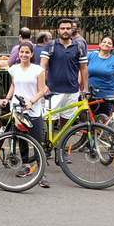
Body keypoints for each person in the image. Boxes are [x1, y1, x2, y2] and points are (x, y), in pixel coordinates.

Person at [0, 41, 49, 188]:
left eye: (27, 52)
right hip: (17, 108)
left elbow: (41, 90)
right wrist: (7, 98)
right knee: (21, 138)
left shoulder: (38, 70)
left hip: (32, 109)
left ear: (32, 54)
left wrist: (31, 102)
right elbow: (14, 85)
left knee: (36, 141)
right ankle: (26, 165)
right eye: (22, 52)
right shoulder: (14, 69)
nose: (24, 55)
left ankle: (42, 173)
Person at [40, 18, 88, 161]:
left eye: (68, 28)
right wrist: (43, 85)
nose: (66, 31)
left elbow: (84, 68)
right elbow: (42, 66)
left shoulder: (79, 46)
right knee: (50, 121)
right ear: (58, 30)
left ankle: (61, 149)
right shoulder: (50, 45)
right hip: (53, 91)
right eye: (63, 28)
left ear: (73, 29)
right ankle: (48, 147)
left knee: (66, 122)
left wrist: (85, 88)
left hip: (72, 90)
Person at [87, 36, 114, 117]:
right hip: (88, 93)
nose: (106, 44)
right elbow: (82, 71)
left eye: (109, 43)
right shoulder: (90, 56)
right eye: (104, 42)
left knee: (103, 121)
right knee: (88, 121)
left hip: (105, 96)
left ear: (112, 47)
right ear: (100, 44)